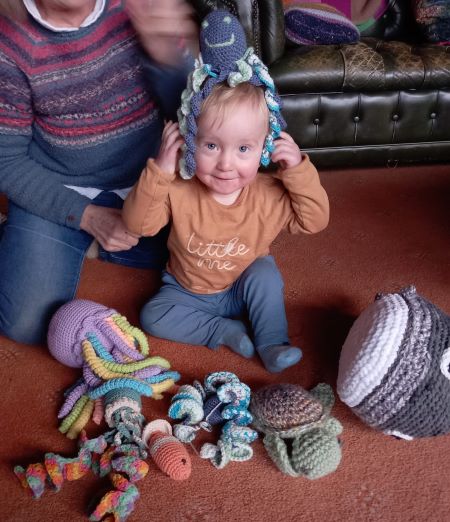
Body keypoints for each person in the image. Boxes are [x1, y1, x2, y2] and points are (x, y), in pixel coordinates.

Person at [122, 11, 330, 373]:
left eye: (244, 149)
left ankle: (272, 342)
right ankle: (223, 331)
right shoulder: (178, 188)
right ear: (190, 142)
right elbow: (137, 225)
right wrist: (160, 170)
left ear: (264, 147)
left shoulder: (269, 194)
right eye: (211, 146)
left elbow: (315, 221)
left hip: (242, 285)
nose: (226, 164)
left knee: (265, 275)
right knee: (151, 315)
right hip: (186, 292)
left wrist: (298, 170)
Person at [0, 0, 197, 344]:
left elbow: (197, 115)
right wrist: (87, 217)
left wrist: (168, 59)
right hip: (63, 185)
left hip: (152, 178)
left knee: (217, 262)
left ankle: (90, 245)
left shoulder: (136, 6)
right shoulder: (8, 43)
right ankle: (70, 233)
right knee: (25, 324)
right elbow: (7, 161)